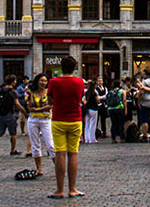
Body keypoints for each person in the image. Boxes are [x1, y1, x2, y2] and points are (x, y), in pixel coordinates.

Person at [47, 56, 85, 199]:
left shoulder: (54, 82)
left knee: (60, 154)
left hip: (58, 120)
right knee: (73, 154)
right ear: (74, 68)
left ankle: (59, 190)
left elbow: (51, 100)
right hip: (75, 120)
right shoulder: (79, 82)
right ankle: (72, 189)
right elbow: (80, 98)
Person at [26, 74, 55, 176]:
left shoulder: (49, 92)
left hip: (46, 119)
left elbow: (51, 105)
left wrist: (38, 109)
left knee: (50, 144)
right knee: (35, 145)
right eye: (41, 81)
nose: (43, 83)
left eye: (45, 81)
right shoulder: (32, 93)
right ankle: (39, 168)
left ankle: (57, 167)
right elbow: (29, 107)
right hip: (33, 119)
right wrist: (29, 95)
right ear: (37, 81)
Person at [106, 78, 126, 143]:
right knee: (120, 124)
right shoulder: (122, 91)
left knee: (113, 124)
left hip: (111, 109)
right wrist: (125, 109)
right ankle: (122, 138)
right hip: (119, 108)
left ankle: (113, 139)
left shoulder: (110, 91)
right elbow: (124, 100)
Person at [83, 78, 99, 144]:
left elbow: (84, 100)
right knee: (93, 124)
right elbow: (98, 100)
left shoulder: (86, 92)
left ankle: (87, 139)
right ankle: (92, 139)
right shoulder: (94, 92)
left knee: (87, 124)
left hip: (87, 108)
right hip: (94, 109)